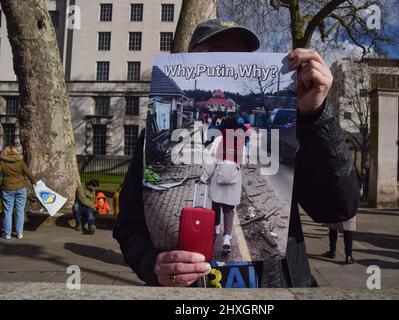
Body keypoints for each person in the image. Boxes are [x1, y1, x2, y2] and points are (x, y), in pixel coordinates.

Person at [113, 18, 359, 287]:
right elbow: (129, 226)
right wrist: (154, 266)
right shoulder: (153, 136)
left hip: (276, 291)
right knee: (220, 212)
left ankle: (225, 235)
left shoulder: (294, 129)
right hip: (190, 297)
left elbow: (338, 208)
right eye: (218, 52)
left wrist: (315, 116)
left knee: (225, 211)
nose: (230, 62)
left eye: (240, 57)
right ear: (190, 60)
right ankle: (222, 234)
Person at [200, 116, 246, 254]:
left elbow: (210, 162)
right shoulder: (240, 142)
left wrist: (204, 177)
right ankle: (227, 239)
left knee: (216, 203)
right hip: (233, 181)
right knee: (229, 210)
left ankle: (216, 228)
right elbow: (243, 161)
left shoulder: (218, 140)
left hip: (217, 179)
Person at [0, 146, 36, 240]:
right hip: (20, 188)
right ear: (16, 152)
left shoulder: (2, 162)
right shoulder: (20, 162)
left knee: (8, 211)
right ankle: (19, 233)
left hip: (7, 188)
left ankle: (7, 234)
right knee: (20, 211)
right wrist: (34, 182)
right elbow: (28, 173)